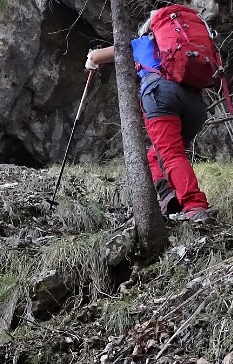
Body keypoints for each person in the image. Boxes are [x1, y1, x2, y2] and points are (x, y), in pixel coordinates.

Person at [86, 17, 212, 223]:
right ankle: (170, 197)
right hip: (195, 103)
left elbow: (98, 56)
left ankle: (194, 206)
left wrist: (90, 60)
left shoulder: (141, 43)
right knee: (156, 155)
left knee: (171, 154)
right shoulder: (182, 48)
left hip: (159, 94)